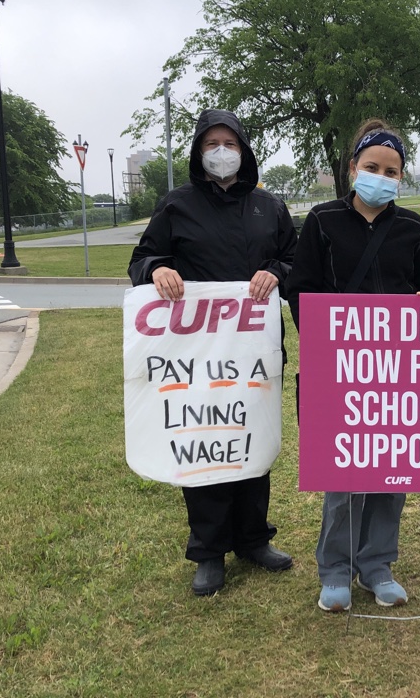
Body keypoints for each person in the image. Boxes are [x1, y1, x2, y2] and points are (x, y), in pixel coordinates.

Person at [128, 109, 298, 596]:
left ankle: (253, 539)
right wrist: (157, 270)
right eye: (211, 144)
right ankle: (208, 550)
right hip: (196, 353)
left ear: (244, 149)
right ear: (198, 151)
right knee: (205, 440)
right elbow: (142, 258)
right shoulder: (176, 205)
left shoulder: (269, 206)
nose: (221, 151)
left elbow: (293, 258)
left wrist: (277, 274)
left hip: (255, 352)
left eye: (230, 142)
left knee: (250, 439)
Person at [286, 119, 420, 612]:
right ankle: (335, 568)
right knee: (345, 474)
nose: (381, 175)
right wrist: (329, 340)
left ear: (401, 177)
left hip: (398, 371)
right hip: (339, 367)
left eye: (391, 170)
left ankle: (377, 564)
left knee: (391, 472)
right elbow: (301, 289)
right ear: (354, 167)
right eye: (372, 166)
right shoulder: (322, 221)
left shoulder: (413, 228)